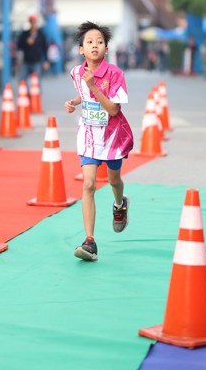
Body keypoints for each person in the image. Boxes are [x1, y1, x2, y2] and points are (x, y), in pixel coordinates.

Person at [64, 21, 134, 262]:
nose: (95, 45)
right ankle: (89, 241)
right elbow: (84, 93)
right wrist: (75, 102)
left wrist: (93, 85)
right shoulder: (76, 73)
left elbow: (113, 109)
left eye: (100, 42)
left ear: (106, 48)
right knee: (88, 184)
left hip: (112, 137)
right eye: (90, 42)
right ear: (81, 49)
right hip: (88, 135)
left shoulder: (115, 74)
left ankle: (120, 203)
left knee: (114, 180)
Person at [17, 14, 49, 84]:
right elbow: (19, 46)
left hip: (37, 62)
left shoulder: (41, 35)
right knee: (22, 80)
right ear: (30, 23)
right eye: (31, 22)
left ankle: (36, 91)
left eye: (34, 22)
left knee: (36, 82)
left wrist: (46, 61)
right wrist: (26, 42)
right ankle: (25, 91)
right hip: (26, 62)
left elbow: (44, 48)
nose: (33, 24)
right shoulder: (25, 34)